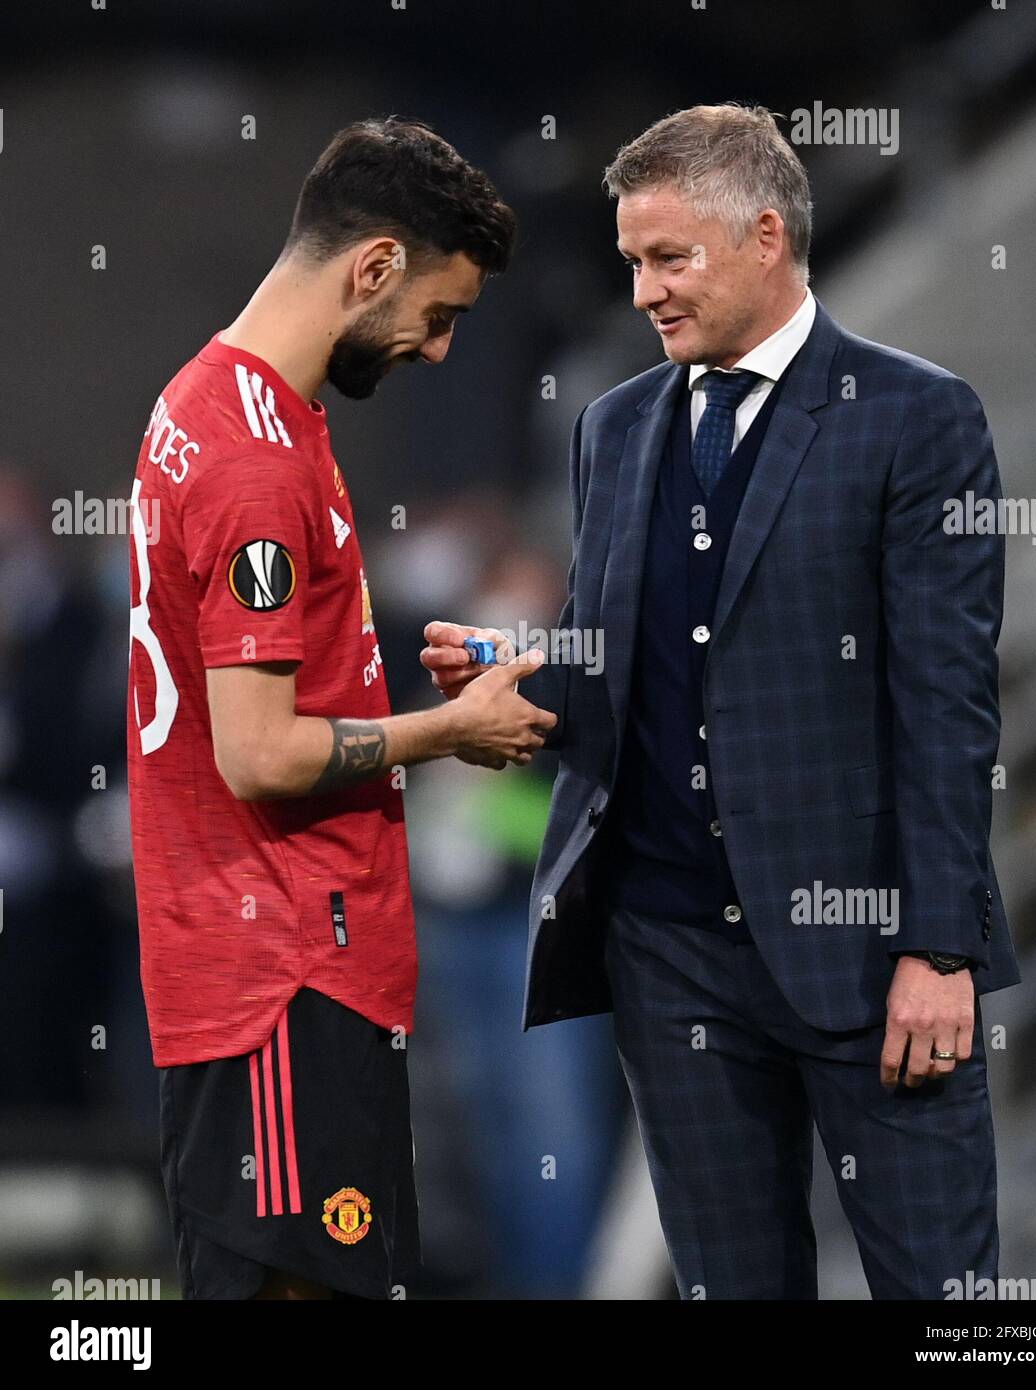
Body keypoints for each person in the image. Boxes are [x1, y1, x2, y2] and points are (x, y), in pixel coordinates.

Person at [421, 102, 1021, 1300]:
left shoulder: (915, 415)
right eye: (631, 260)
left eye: (667, 257)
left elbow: (946, 704)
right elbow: (629, 672)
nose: (642, 290)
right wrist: (521, 666)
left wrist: (938, 949)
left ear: (764, 237)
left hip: (866, 959)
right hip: (668, 956)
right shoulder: (617, 425)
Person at [126, 117, 555, 1300]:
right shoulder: (255, 464)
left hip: (275, 965)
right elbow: (257, 752)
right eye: (441, 311)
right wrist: (449, 733)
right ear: (371, 268)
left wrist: (398, 685)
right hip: (276, 975)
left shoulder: (212, 402)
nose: (436, 349)